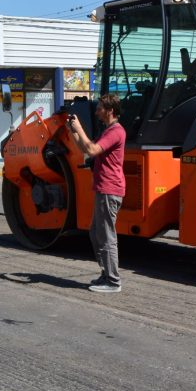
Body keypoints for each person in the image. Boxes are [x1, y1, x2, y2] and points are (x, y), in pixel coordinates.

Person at [67, 94, 127, 293]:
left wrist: (80, 129)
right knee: (96, 233)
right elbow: (86, 148)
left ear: (110, 111)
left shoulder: (116, 131)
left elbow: (92, 150)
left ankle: (113, 281)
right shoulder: (108, 130)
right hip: (104, 188)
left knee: (106, 235)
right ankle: (106, 273)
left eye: (100, 108)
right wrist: (73, 132)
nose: (96, 111)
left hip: (110, 189)